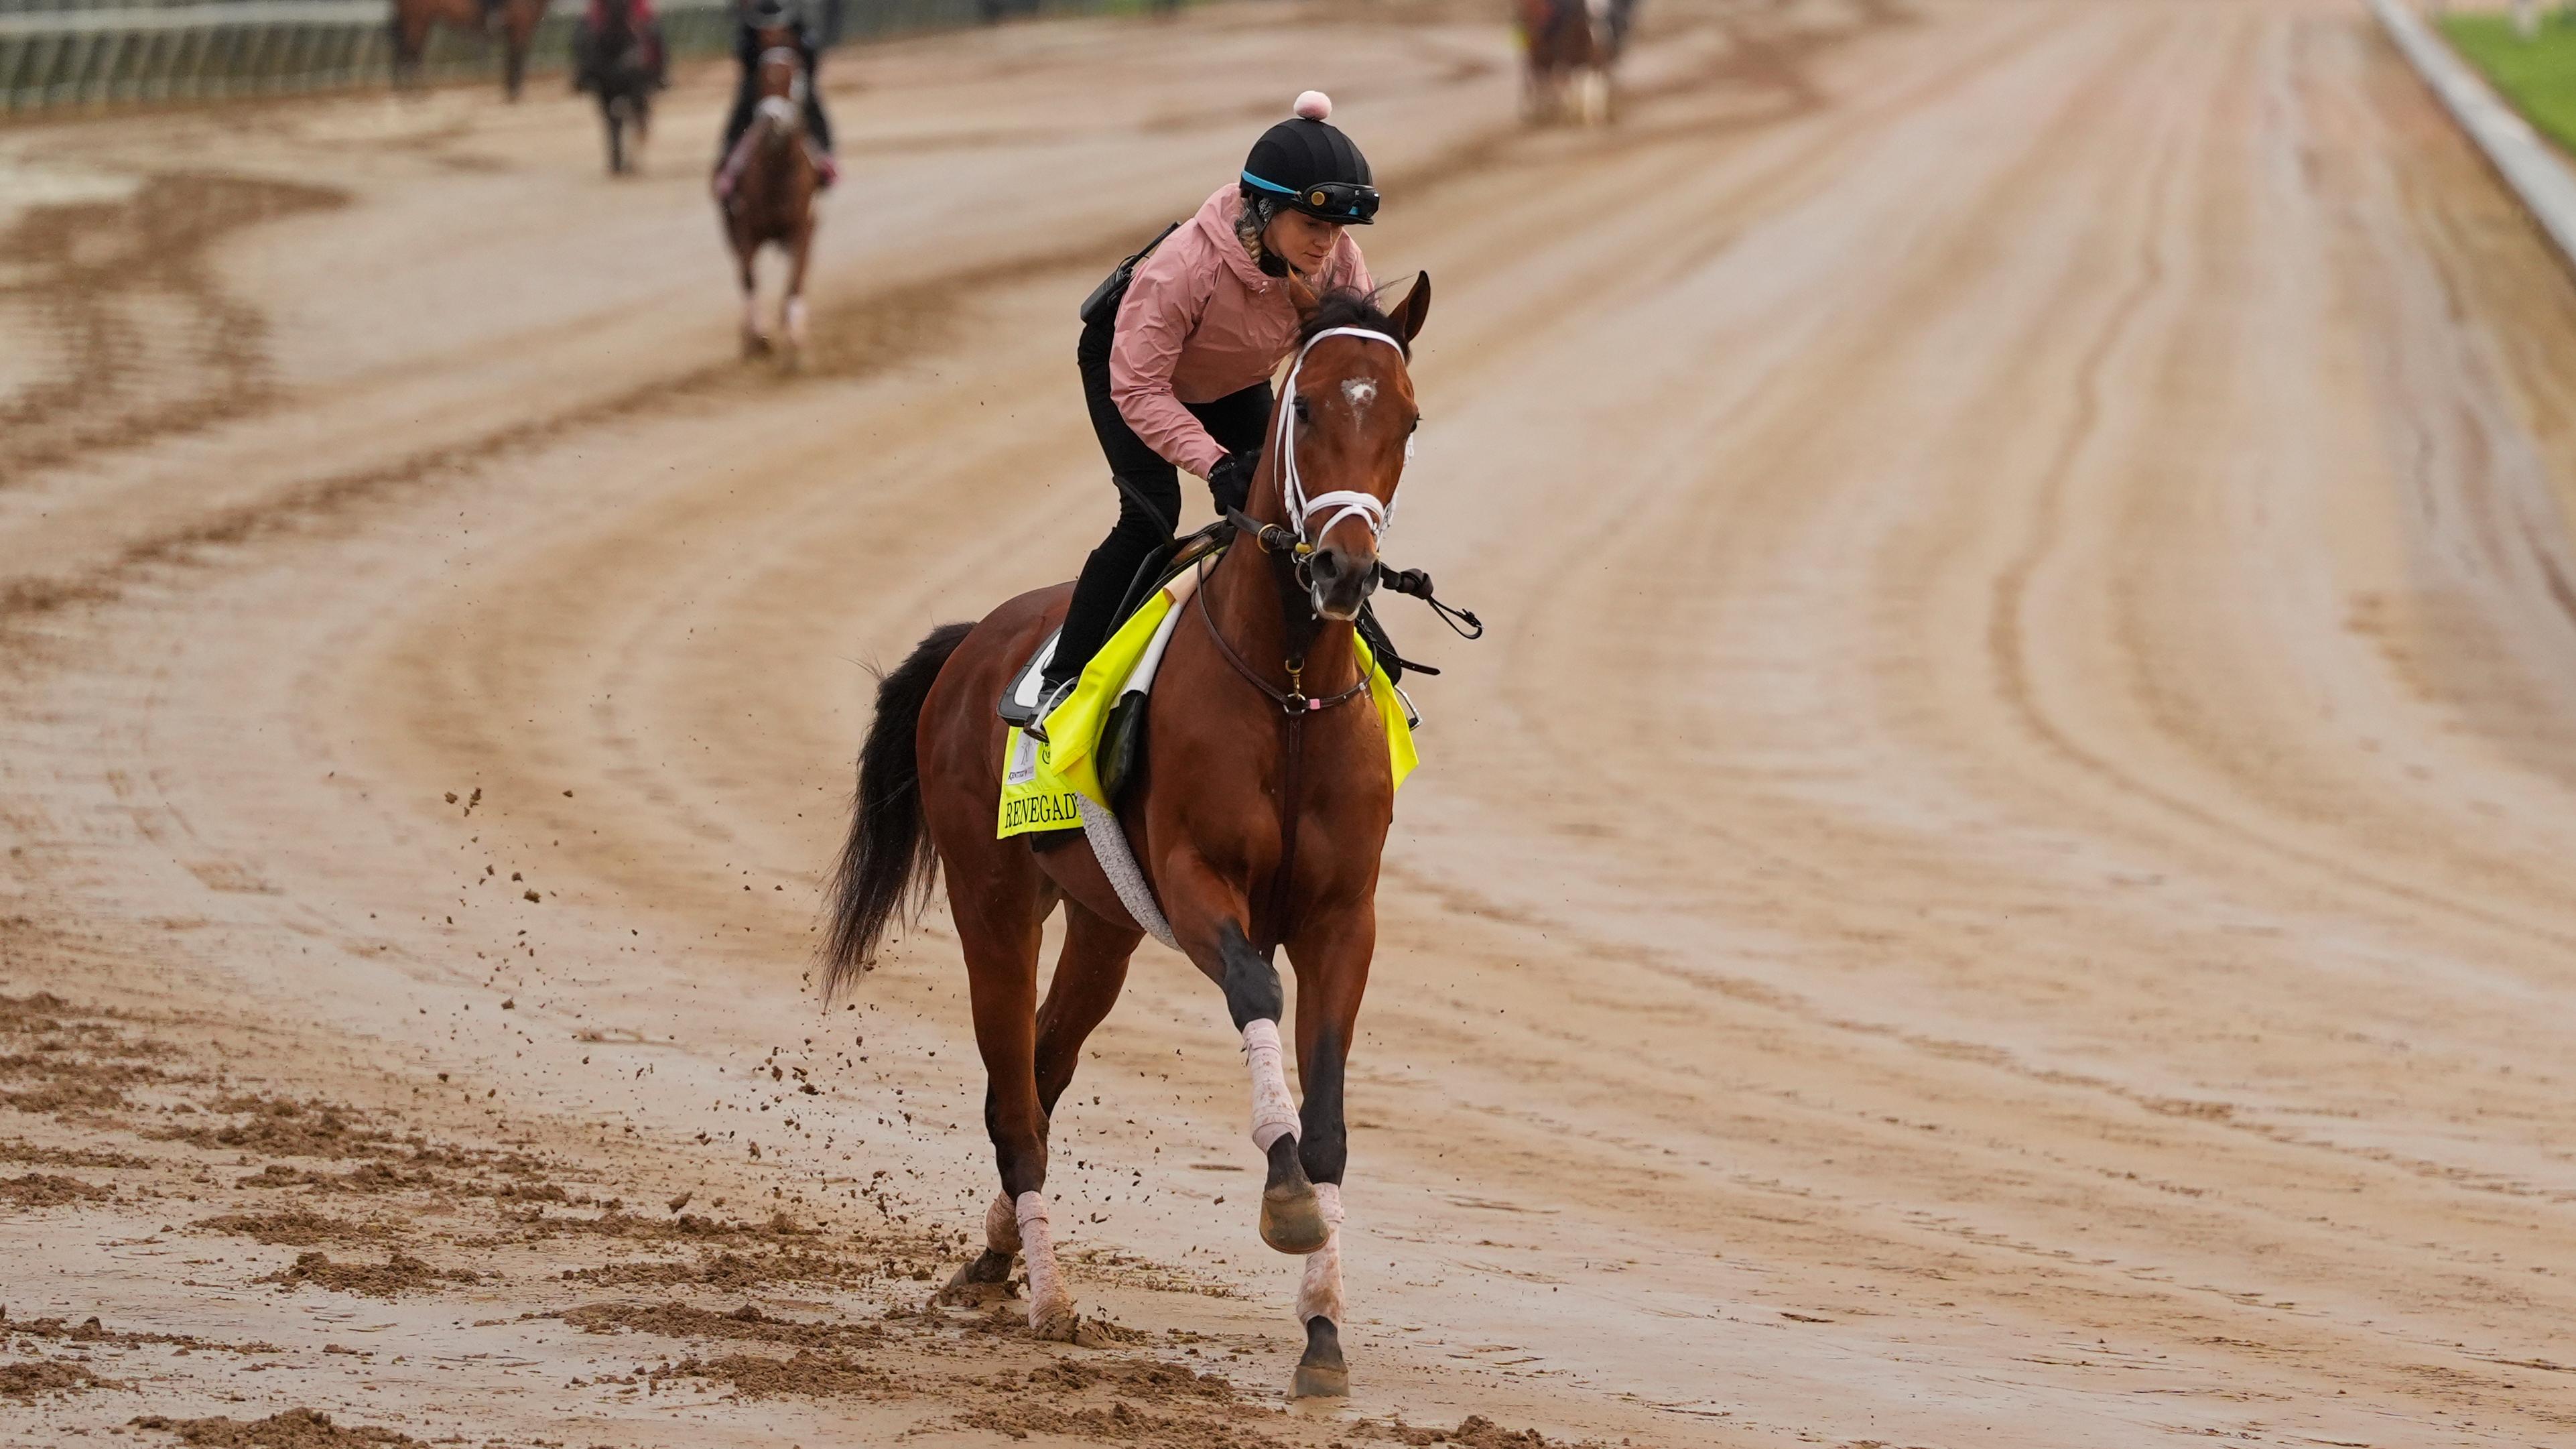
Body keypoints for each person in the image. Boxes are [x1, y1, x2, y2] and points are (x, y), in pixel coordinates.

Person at [1032, 91, 1380, 729]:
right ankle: (1062, 680)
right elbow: (1138, 390)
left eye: (1335, 230)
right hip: (1130, 374)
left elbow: (1349, 363)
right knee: (1151, 519)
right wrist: (1214, 461)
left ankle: (1364, 653)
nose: (1326, 245)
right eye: (1312, 225)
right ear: (1265, 210)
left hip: (1234, 379)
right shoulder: (1182, 268)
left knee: (1299, 508)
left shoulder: (1338, 264)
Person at [714, 0, 837, 199]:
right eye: (765, 29)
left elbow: (811, 66)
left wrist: (799, 83)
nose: (769, 34)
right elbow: (747, 69)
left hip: (795, 80)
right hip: (759, 84)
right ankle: (729, 159)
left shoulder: (803, 37)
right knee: (742, 110)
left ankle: (825, 156)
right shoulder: (748, 40)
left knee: (813, 107)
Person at [572, 0, 665, 93]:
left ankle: (659, 73)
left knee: (655, 31)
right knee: (581, 34)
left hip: (634, 8)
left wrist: (638, 21)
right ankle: (584, 73)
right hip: (603, 10)